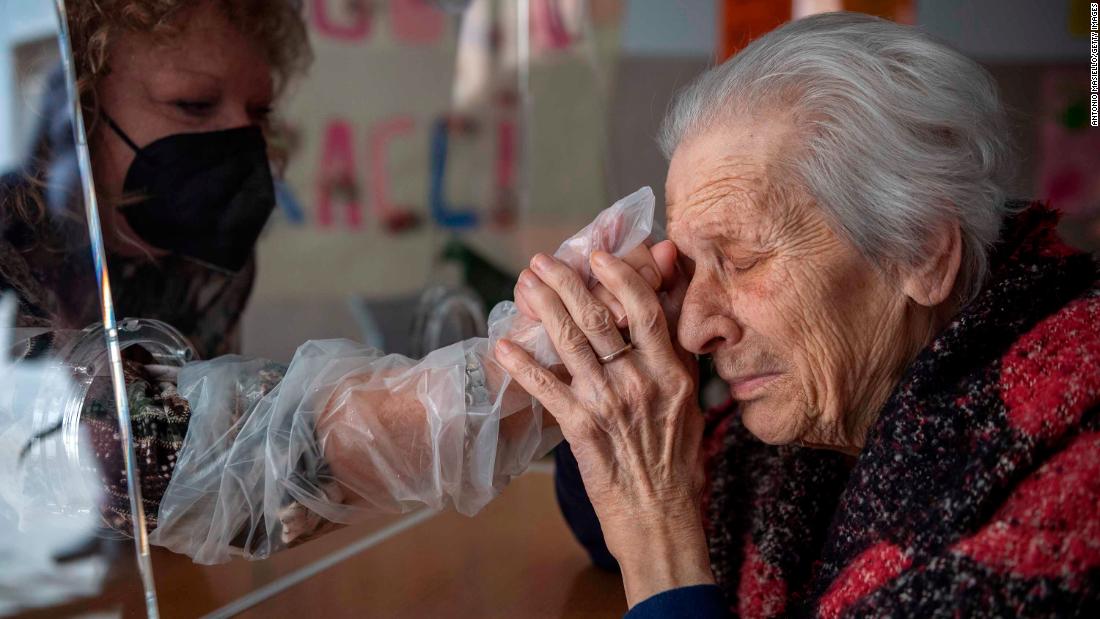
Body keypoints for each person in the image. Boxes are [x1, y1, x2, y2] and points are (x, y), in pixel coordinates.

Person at [1, 0, 665, 563]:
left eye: (258, 111)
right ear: (76, 106)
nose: (240, 139)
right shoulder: (13, 253)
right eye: (194, 103)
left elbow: (219, 504)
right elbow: (110, 443)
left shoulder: (190, 255)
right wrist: (487, 382)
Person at [496, 12, 1100, 618]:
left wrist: (658, 532)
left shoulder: (1066, 479)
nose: (693, 327)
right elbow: (614, 538)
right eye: (692, 268)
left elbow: (663, 547)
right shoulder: (835, 419)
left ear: (921, 252)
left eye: (742, 259)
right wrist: (611, 379)